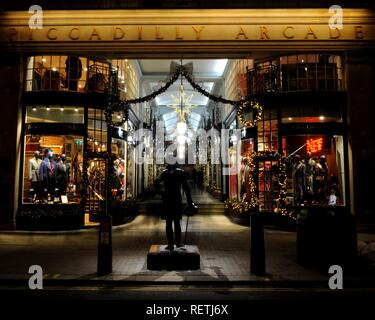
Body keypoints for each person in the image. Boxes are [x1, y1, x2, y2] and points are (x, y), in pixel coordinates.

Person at [154, 164, 195, 251]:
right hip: (175, 199)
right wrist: (189, 201)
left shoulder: (165, 173)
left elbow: (156, 182)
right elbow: (186, 188)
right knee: (175, 222)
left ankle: (171, 244)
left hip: (168, 199)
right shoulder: (179, 172)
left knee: (170, 223)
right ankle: (176, 243)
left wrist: (161, 192)